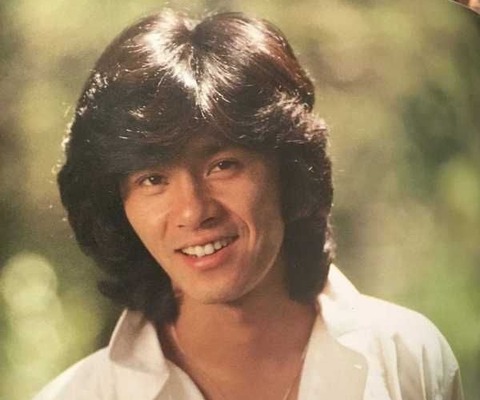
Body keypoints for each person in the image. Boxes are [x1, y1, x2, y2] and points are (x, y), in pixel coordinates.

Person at [34, 9, 463, 400]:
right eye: (153, 179)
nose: (194, 211)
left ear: (288, 169)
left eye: (222, 165)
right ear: (119, 206)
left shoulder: (407, 358)